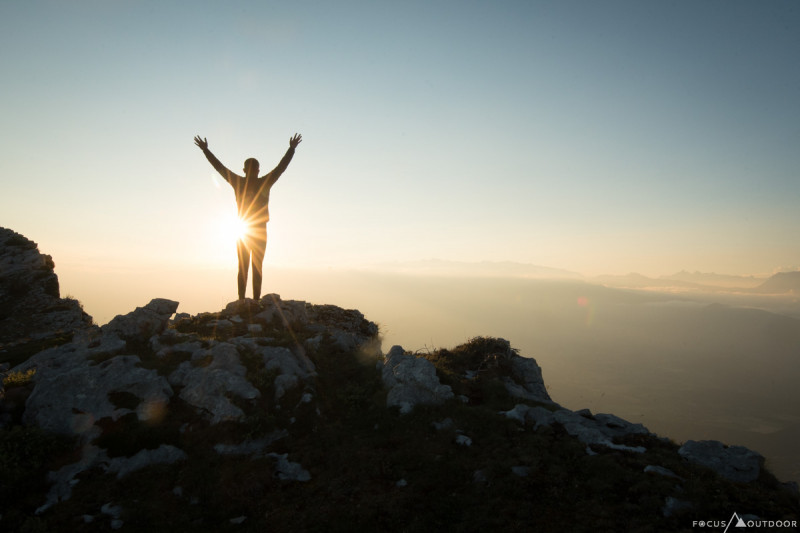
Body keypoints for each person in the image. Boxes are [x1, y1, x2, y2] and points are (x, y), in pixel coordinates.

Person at [194, 133, 302, 300]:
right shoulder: (263, 182)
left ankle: (242, 300)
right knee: (256, 266)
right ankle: (255, 301)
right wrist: (291, 149)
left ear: (244, 170)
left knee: (243, 267)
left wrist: (206, 151)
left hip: (243, 230)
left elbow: (220, 168)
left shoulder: (239, 182)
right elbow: (281, 167)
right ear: (258, 170)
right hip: (256, 230)